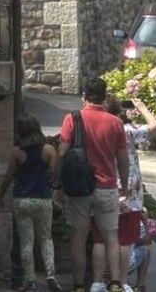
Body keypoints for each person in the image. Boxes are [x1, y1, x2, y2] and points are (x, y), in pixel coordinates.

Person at [57, 77, 129, 292]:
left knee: (78, 238)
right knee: (111, 237)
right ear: (104, 97)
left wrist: (57, 183)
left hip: (79, 188)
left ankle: (79, 285)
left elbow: (61, 152)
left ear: (84, 96)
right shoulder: (115, 123)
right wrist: (123, 185)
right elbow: (123, 159)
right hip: (106, 187)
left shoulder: (72, 119)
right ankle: (115, 283)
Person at [89, 97, 156, 292]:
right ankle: (119, 283)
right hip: (128, 191)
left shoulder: (95, 129)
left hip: (101, 187)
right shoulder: (126, 130)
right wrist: (142, 107)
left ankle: (97, 282)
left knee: (100, 239)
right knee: (125, 239)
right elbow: (155, 128)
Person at [0, 113, 61, 292]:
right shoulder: (48, 149)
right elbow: (55, 174)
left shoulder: (16, 152)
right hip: (43, 199)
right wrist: (53, 187)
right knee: (46, 238)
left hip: (22, 199)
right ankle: (50, 275)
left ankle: (30, 281)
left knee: (26, 241)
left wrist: (1, 196)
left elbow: (9, 177)